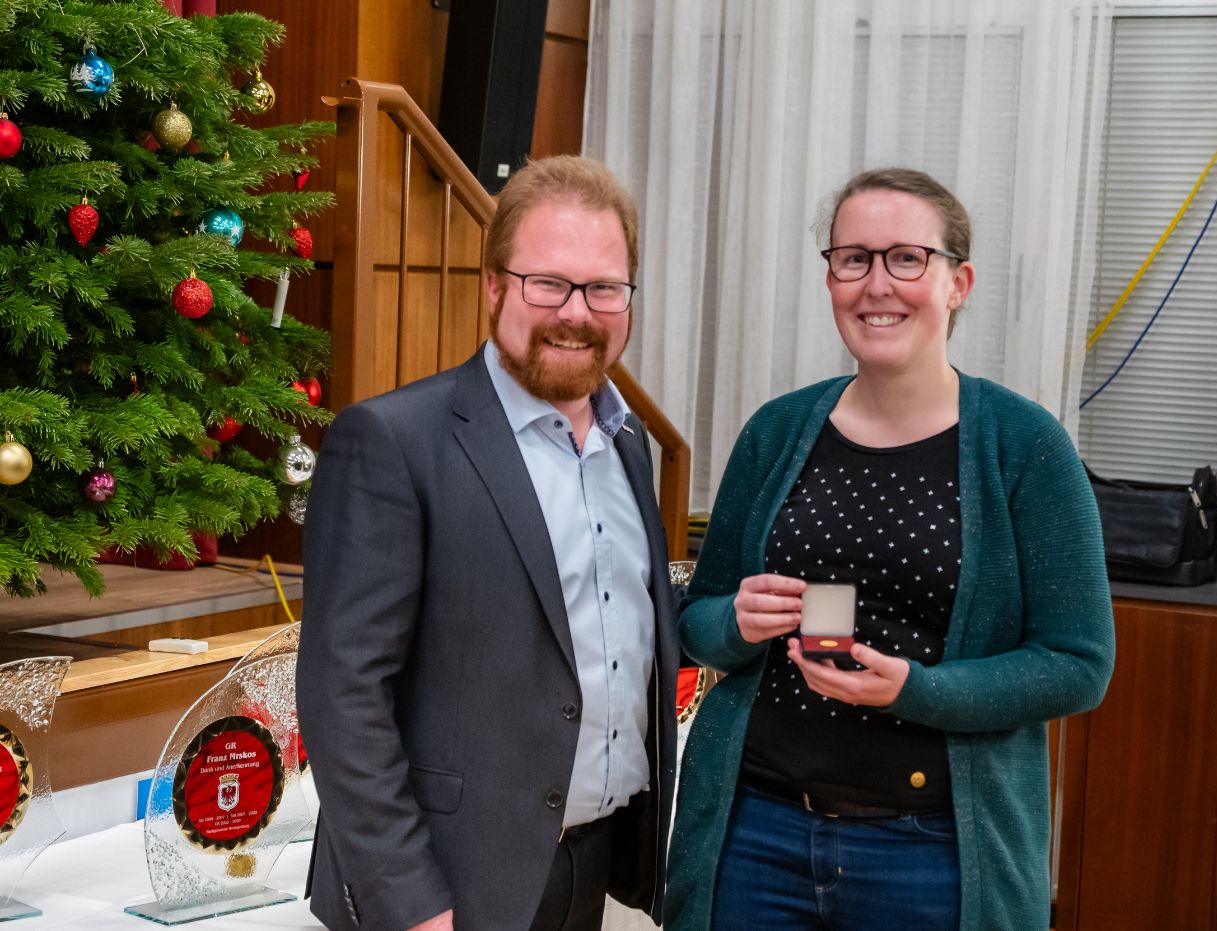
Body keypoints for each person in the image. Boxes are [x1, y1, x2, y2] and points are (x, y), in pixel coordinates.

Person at [665, 167, 1115, 931]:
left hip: (933, 854)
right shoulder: (776, 432)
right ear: (831, 279)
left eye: (907, 258)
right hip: (755, 837)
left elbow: (1078, 664)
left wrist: (915, 688)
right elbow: (697, 623)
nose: (878, 284)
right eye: (854, 258)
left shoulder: (1025, 447)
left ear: (958, 283)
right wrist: (734, 622)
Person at [298, 155, 678, 931]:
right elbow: (343, 694)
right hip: (446, 885)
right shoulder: (394, 441)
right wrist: (411, 903)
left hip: (586, 867)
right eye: (548, 283)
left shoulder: (628, 444)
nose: (576, 311)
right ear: (495, 286)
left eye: (603, 287)